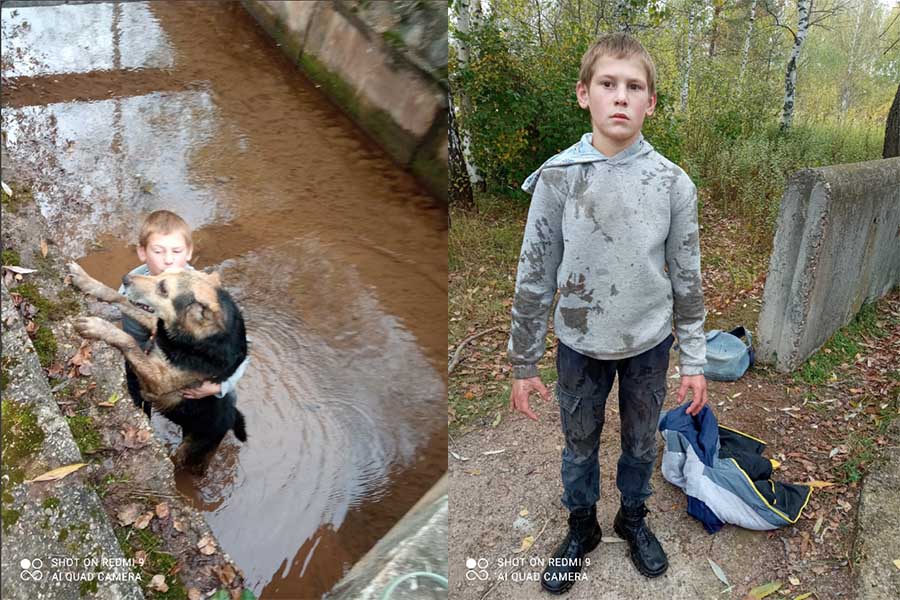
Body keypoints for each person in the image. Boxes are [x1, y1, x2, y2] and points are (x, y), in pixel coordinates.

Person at [507, 33, 708, 594]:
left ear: (651, 103)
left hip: (648, 343)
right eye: (608, 84)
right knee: (579, 443)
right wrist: (524, 363)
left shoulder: (672, 184)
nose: (621, 97)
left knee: (642, 442)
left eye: (634, 87)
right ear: (583, 94)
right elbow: (534, 274)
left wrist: (694, 358)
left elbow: (687, 281)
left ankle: (633, 518)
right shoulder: (559, 178)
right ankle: (581, 527)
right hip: (578, 343)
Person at [119, 210, 248, 416]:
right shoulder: (133, 285)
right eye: (158, 251)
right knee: (139, 396)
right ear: (142, 252)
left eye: (176, 251)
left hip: (192, 371)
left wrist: (218, 388)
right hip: (146, 358)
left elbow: (240, 351)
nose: (168, 260)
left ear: (188, 252)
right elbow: (128, 327)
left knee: (218, 409)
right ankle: (142, 422)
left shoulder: (201, 293)